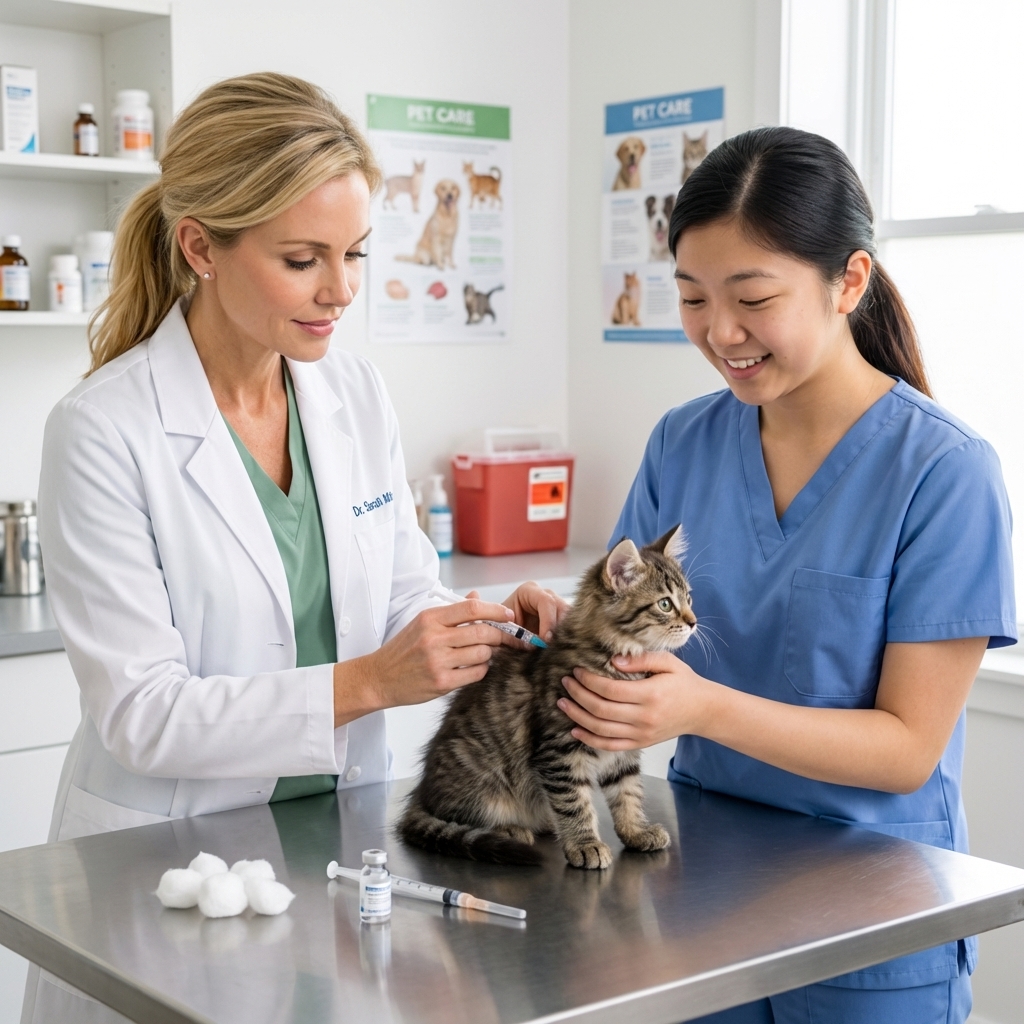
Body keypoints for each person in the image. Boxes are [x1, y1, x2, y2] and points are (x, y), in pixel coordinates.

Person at [29, 73, 565, 1022]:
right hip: (171, 861)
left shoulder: (352, 395)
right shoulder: (104, 430)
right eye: (303, 258)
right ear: (200, 246)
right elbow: (143, 715)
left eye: (354, 252)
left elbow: (402, 593)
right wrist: (371, 682)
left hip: (335, 845)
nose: (342, 289)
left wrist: (476, 622)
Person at [557, 126, 1016, 1023]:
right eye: (691, 298)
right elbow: (619, 641)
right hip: (699, 898)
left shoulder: (944, 473)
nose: (719, 332)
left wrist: (701, 708)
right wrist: (560, 629)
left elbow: (907, 749)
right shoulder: (681, 443)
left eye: (752, 298)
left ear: (850, 280)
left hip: (872, 919)